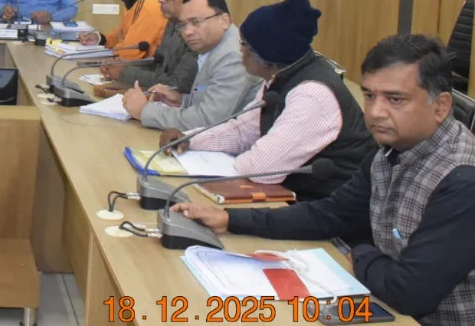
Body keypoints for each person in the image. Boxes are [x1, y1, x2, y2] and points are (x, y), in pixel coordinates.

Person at [174, 34, 475, 325]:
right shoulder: (390, 148)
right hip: (388, 302)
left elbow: (409, 293)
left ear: (440, 106)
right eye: (370, 96)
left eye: (395, 99)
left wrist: (360, 251)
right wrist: (230, 219)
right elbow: (330, 215)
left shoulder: (463, 180)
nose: (376, 112)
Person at [158, 0, 376, 200]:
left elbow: (261, 168)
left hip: (328, 207)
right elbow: (244, 130)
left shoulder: (312, 94)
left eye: (244, 44)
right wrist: (189, 139)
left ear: (266, 55)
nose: (239, 50)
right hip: (296, 196)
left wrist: (220, 166)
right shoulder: (280, 76)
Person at [122, 0, 257, 129]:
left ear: (224, 20)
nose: (187, 32)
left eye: (196, 22)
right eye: (182, 25)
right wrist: (181, 100)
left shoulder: (233, 56)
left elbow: (208, 121)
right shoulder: (214, 45)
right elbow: (210, 103)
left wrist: (144, 111)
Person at [116, 0, 205, 94]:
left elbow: (177, 85)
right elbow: (158, 65)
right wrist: (123, 66)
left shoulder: (200, 31)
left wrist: (124, 72)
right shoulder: (172, 22)